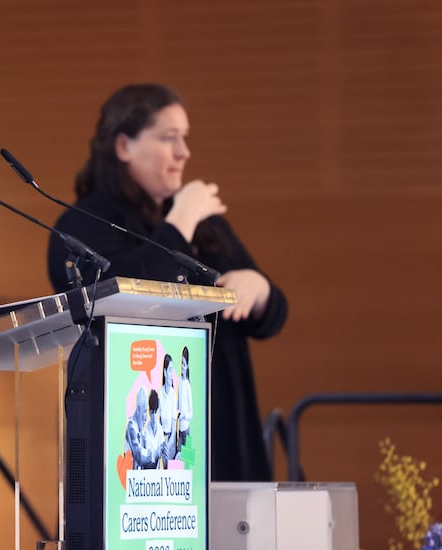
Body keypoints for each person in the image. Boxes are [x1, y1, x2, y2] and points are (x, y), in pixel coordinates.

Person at [47, 83, 288, 481]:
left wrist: (257, 288)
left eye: (185, 139)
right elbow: (121, 292)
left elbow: (274, 316)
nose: (184, 153)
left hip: (221, 426)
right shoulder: (81, 224)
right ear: (123, 147)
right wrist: (180, 222)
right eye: (168, 138)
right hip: (140, 443)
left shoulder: (204, 223)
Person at [159, 353, 178, 462]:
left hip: (171, 442)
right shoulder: (160, 393)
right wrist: (162, 443)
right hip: (163, 440)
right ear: (165, 372)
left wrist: (167, 446)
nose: (172, 373)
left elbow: (174, 430)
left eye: (172, 370)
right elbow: (160, 423)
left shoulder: (173, 395)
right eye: (170, 370)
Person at [141, 389, 164, 469]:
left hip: (157, 474)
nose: (154, 416)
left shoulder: (160, 430)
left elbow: (161, 454)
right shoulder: (144, 432)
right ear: (149, 412)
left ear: (158, 412)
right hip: (146, 473)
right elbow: (144, 460)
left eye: (155, 412)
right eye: (152, 412)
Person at [177, 347, 193, 452]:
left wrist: (183, 415)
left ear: (187, 366)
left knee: (188, 462)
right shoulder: (180, 382)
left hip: (186, 430)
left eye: (184, 364)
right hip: (179, 429)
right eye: (181, 364)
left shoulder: (187, 385)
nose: (182, 367)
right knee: (178, 461)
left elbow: (192, 414)